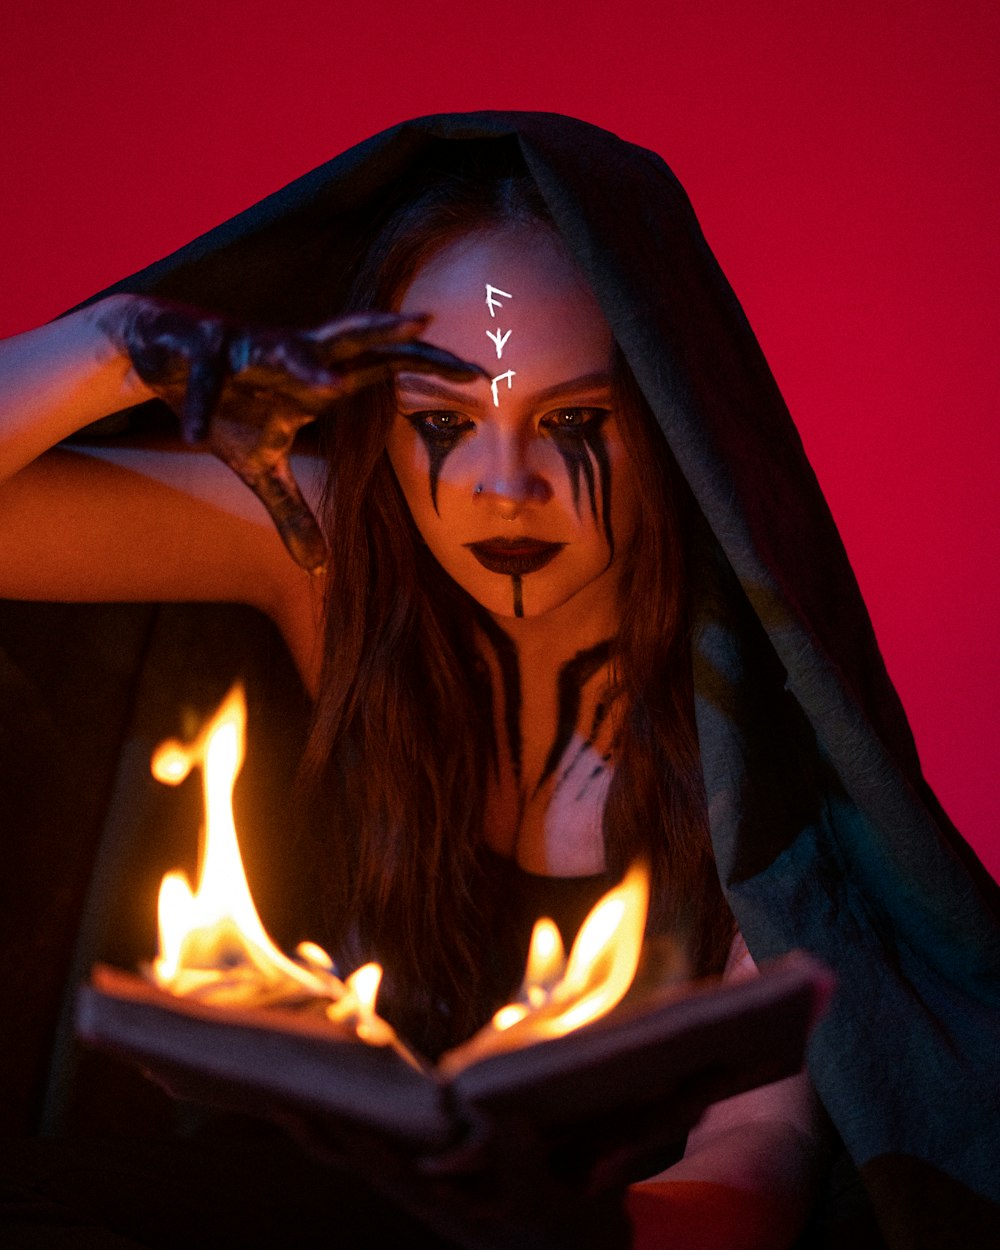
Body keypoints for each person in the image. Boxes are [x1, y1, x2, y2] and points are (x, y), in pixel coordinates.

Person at [1, 113, 997, 1249]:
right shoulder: (330, 556)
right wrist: (118, 348)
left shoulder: (754, 722)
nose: (503, 484)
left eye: (569, 419)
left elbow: (754, 1143)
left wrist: (570, 1229)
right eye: (442, 421)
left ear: (664, 422)